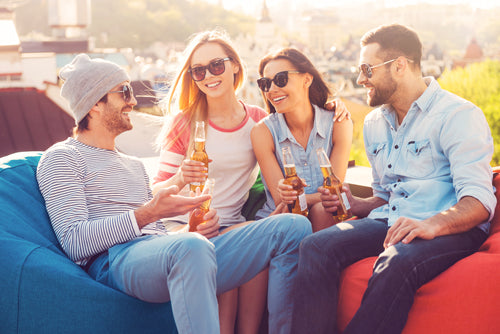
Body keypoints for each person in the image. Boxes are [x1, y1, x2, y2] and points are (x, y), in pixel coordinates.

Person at [35, 53, 312, 334]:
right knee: (192, 247)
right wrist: (150, 213)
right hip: (115, 262)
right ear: (95, 103)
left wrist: (188, 230)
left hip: (163, 252)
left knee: (292, 227)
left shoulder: (133, 164)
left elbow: (156, 238)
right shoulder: (62, 158)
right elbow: (75, 242)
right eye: (124, 92)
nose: (133, 101)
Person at [291, 23, 497, 334]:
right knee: (315, 247)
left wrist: (431, 225)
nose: (360, 79)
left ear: (399, 66)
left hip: (449, 228)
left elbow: (480, 202)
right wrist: (356, 203)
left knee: (395, 261)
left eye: (366, 69)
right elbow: (386, 196)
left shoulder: (458, 116)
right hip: (392, 221)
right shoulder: (375, 122)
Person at [152, 30, 350, 333]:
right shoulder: (185, 123)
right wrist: (184, 198)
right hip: (184, 228)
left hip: (233, 227)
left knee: (250, 284)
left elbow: (297, 117)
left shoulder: (257, 121)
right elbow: (158, 192)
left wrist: (335, 105)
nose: (208, 76)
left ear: (234, 66)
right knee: (227, 300)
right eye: (198, 70)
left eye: (216, 65)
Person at [251, 47, 353, 232]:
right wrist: (315, 197)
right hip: (282, 222)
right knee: (308, 214)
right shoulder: (262, 132)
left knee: (325, 210)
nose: (272, 89)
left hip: (326, 215)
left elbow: (333, 192)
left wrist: (306, 197)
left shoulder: (338, 123)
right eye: (266, 83)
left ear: (307, 79)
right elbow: (283, 202)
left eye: (281, 79)